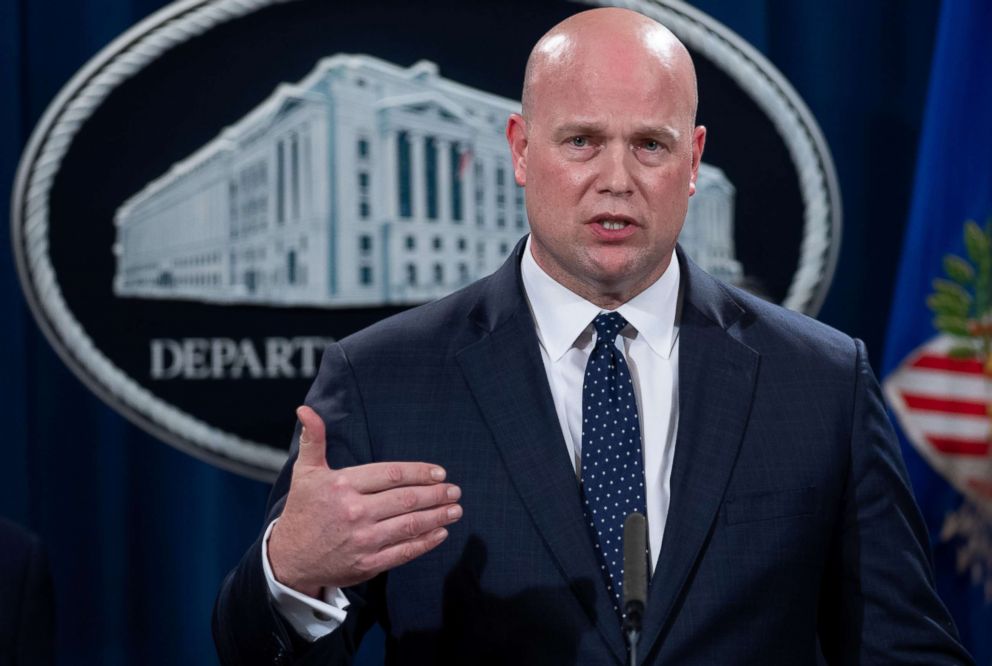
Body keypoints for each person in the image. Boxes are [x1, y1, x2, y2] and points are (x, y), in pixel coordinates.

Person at [214, 8, 973, 665]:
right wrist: (292, 575)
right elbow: (254, 657)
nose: (617, 178)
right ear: (519, 148)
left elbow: (904, 649)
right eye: (581, 141)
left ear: (694, 160)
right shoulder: (384, 380)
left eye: (650, 144)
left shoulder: (821, 381)